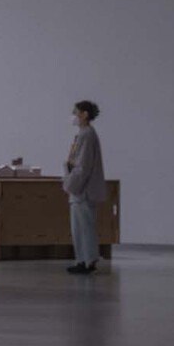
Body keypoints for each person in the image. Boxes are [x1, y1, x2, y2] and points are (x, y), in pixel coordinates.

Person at [63, 100, 107, 275]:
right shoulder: (84, 134)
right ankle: (83, 259)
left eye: (76, 112)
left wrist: (70, 185)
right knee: (80, 228)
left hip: (82, 191)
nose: (73, 116)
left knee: (84, 227)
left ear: (84, 114)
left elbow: (83, 166)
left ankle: (87, 261)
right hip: (80, 190)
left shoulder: (86, 135)